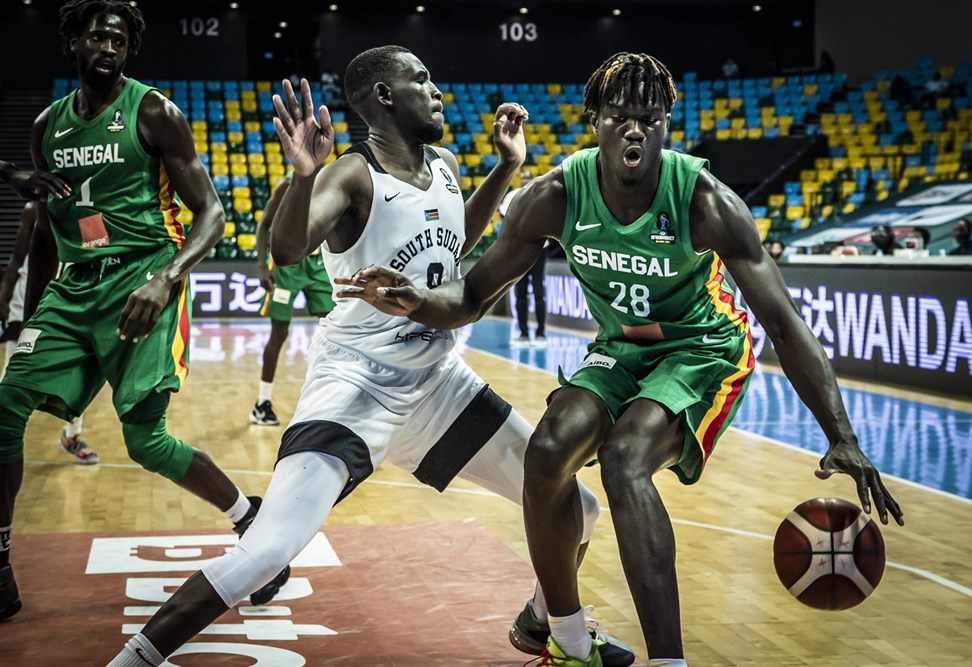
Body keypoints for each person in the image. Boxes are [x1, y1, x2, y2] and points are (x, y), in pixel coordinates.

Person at [337, 51, 905, 667]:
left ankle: (669, 660)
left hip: (701, 349)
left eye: (650, 118)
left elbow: (786, 326)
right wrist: (416, 299)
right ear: (595, 121)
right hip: (620, 347)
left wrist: (840, 435)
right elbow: (473, 294)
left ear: (665, 124)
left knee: (624, 458)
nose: (635, 129)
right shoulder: (555, 195)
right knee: (548, 450)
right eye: (619, 117)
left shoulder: (705, 200)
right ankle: (556, 626)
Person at [106, 47, 634, 667]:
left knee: (578, 506)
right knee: (269, 549)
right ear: (384, 96)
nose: (437, 90)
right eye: (422, 79)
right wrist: (305, 176)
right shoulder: (352, 174)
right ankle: (135, 659)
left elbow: (453, 240)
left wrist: (505, 169)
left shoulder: (441, 163)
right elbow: (290, 246)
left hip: (437, 383)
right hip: (357, 384)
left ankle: (541, 625)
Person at [0, 0, 285, 623]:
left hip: (143, 278)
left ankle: (252, 523)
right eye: (98, 37)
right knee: (3, 406)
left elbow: (212, 212)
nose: (109, 47)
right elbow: (50, 228)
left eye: (120, 41)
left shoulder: (153, 110)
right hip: (73, 288)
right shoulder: (47, 125)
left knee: (145, 443)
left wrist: (167, 279)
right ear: (73, 43)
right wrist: (29, 311)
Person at [0, 202, 97, 463]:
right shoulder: (34, 209)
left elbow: (95, 250)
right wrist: (4, 296)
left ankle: (72, 437)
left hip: (67, 302)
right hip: (27, 301)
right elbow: (18, 257)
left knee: (77, 374)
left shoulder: (91, 206)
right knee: (11, 378)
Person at [250, 175, 334, 426]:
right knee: (279, 332)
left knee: (333, 330)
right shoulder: (286, 186)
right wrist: (262, 267)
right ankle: (262, 404)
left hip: (317, 264)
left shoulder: (331, 182)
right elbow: (264, 224)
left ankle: (329, 401)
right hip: (286, 265)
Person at [502, 169, 548, 348]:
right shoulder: (512, 197)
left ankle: (541, 333)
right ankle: (523, 333)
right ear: (520, 181)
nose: (526, 182)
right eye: (524, 179)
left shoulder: (544, 197)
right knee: (520, 293)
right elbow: (505, 219)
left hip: (539, 249)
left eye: (529, 179)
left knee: (538, 292)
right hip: (518, 250)